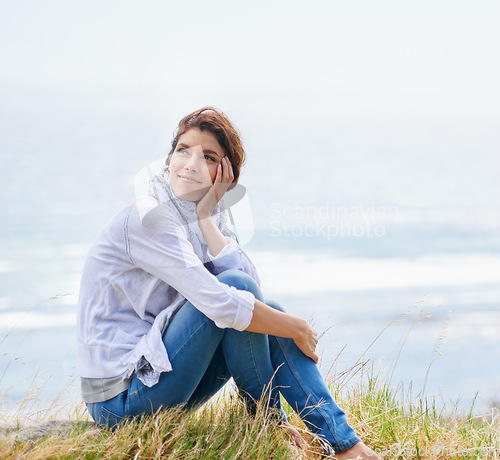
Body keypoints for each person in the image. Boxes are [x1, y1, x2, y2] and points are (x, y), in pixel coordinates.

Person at [76, 107, 380, 459]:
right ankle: (279, 425)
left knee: (263, 310)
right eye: (183, 150)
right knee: (254, 306)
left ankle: (340, 442)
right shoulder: (150, 215)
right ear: (169, 157)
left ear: (224, 174)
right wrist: (295, 327)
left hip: (159, 380)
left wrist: (207, 217)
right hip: (120, 400)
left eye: (207, 157)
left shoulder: (202, 214)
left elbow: (252, 290)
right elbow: (225, 301)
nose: (190, 164)